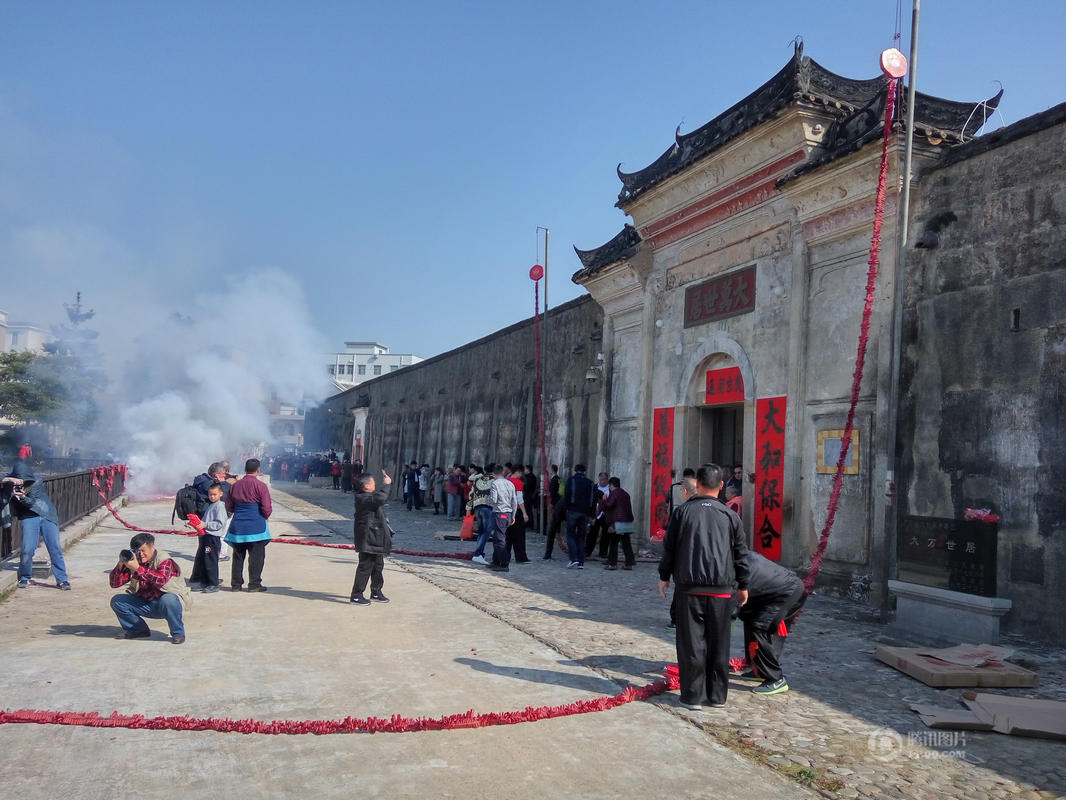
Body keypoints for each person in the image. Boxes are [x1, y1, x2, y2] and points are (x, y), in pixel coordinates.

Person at [658, 463, 749, 710]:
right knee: (720, 642)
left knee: (691, 643)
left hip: (690, 587)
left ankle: (692, 696)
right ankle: (717, 696)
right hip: (722, 588)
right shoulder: (731, 515)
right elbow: (741, 553)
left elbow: (670, 548)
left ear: (697, 484)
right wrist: (743, 584)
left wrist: (664, 576)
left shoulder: (683, 512)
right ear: (721, 486)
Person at [734, 551, 806, 695]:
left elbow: (730, 606)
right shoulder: (734, 556)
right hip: (775, 592)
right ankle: (760, 670)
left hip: (787, 591)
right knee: (751, 621)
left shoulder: (735, 567)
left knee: (759, 627)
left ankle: (776, 679)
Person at [109, 533, 191, 643]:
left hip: (169, 604)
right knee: (117, 601)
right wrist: (121, 564)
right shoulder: (134, 562)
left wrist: (138, 569)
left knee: (168, 599)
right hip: (146, 603)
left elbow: (161, 579)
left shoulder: (164, 559)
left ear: (152, 547)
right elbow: (114, 584)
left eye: (143, 550)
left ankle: (178, 633)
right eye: (138, 551)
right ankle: (137, 630)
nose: (141, 554)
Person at [2, 461, 70, 590]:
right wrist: (10, 479)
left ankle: (62, 579)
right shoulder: (10, 482)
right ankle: (25, 577)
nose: (22, 481)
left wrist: (22, 497)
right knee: (27, 549)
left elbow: (32, 502)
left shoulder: (37, 481)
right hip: (28, 517)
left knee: (54, 547)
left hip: (45, 513)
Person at [225, 458, 273, 592]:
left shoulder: (235, 485)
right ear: (258, 470)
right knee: (256, 557)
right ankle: (254, 584)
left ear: (245, 469)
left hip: (238, 525)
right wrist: (264, 516)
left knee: (238, 556)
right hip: (256, 525)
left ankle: (236, 585)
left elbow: (229, 505)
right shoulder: (260, 486)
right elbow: (266, 507)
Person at [350, 470, 394, 605]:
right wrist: (387, 484)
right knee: (365, 567)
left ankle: (376, 591)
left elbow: (378, 497)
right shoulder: (363, 498)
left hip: (376, 537)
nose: (375, 484)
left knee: (378, 566)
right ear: (366, 486)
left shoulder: (369, 496)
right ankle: (356, 595)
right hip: (368, 538)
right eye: (373, 482)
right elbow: (381, 498)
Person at [188, 482, 228, 592]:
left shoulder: (220, 506)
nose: (212, 496)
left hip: (213, 538)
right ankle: (205, 582)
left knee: (211, 561)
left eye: (214, 494)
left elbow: (219, 523)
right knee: (204, 560)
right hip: (207, 536)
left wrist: (205, 524)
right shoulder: (211, 505)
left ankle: (213, 583)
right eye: (210, 494)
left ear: (220, 494)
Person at [562, 464, 596, 569]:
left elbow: (566, 496)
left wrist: (566, 510)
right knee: (582, 537)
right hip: (585, 512)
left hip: (572, 510)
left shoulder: (571, 480)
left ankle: (573, 559)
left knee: (571, 535)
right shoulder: (590, 483)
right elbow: (592, 500)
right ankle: (581, 562)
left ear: (575, 470)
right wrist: (592, 515)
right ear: (585, 471)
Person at [599, 476, 635, 570]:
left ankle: (612, 563)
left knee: (614, 543)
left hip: (617, 521)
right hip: (627, 521)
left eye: (609, 486)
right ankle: (629, 563)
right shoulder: (625, 494)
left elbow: (608, 505)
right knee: (626, 543)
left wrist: (603, 500)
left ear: (611, 485)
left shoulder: (614, 493)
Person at [488, 463, 518, 572]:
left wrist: (487, 501)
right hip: (508, 514)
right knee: (497, 538)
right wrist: (513, 515)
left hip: (499, 513)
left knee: (499, 539)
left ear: (494, 474)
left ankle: (504, 564)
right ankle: (495, 561)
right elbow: (514, 501)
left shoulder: (495, 484)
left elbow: (493, 500)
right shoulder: (510, 483)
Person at [467, 465, 495, 566]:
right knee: (487, 532)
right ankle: (478, 554)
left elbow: (471, 494)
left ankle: (480, 554)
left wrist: (468, 509)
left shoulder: (477, 479)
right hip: (488, 506)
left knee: (481, 531)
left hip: (477, 506)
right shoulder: (495, 480)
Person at [505, 463, 529, 563]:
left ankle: (505, 556)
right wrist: (524, 513)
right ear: (518, 472)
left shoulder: (506, 482)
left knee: (507, 536)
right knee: (519, 536)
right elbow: (519, 499)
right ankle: (521, 557)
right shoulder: (518, 482)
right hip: (516, 511)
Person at [585, 472, 612, 560]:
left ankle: (603, 552)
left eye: (604, 480)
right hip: (595, 513)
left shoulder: (611, 489)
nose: (602, 482)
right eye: (600, 480)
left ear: (607, 480)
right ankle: (588, 551)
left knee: (606, 534)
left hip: (606, 514)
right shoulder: (594, 487)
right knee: (592, 533)